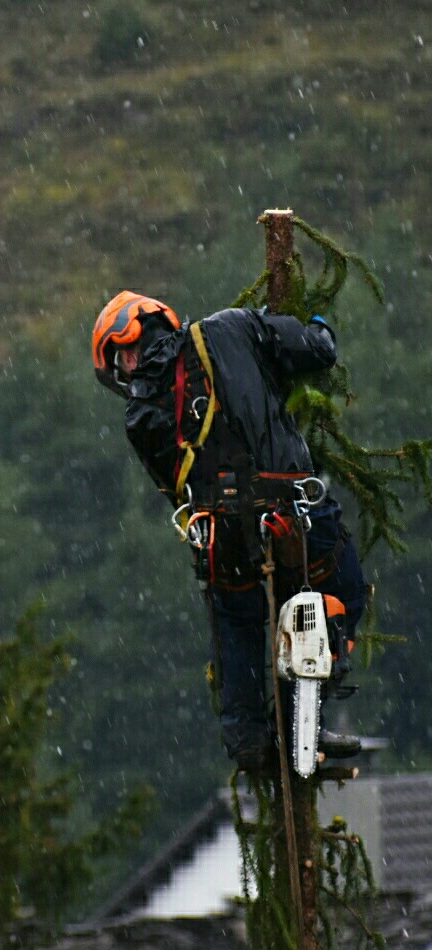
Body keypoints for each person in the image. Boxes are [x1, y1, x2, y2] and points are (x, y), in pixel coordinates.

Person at [92, 291, 368, 773]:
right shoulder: (231, 329)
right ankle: (305, 712)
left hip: (222, 539)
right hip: (293, 508)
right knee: (338, 587)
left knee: (237, 620)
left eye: (124, 356)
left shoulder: (139, 418)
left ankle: (249, 737)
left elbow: (174, 488)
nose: (129, 367)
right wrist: (319, 326)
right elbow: (317, 351)